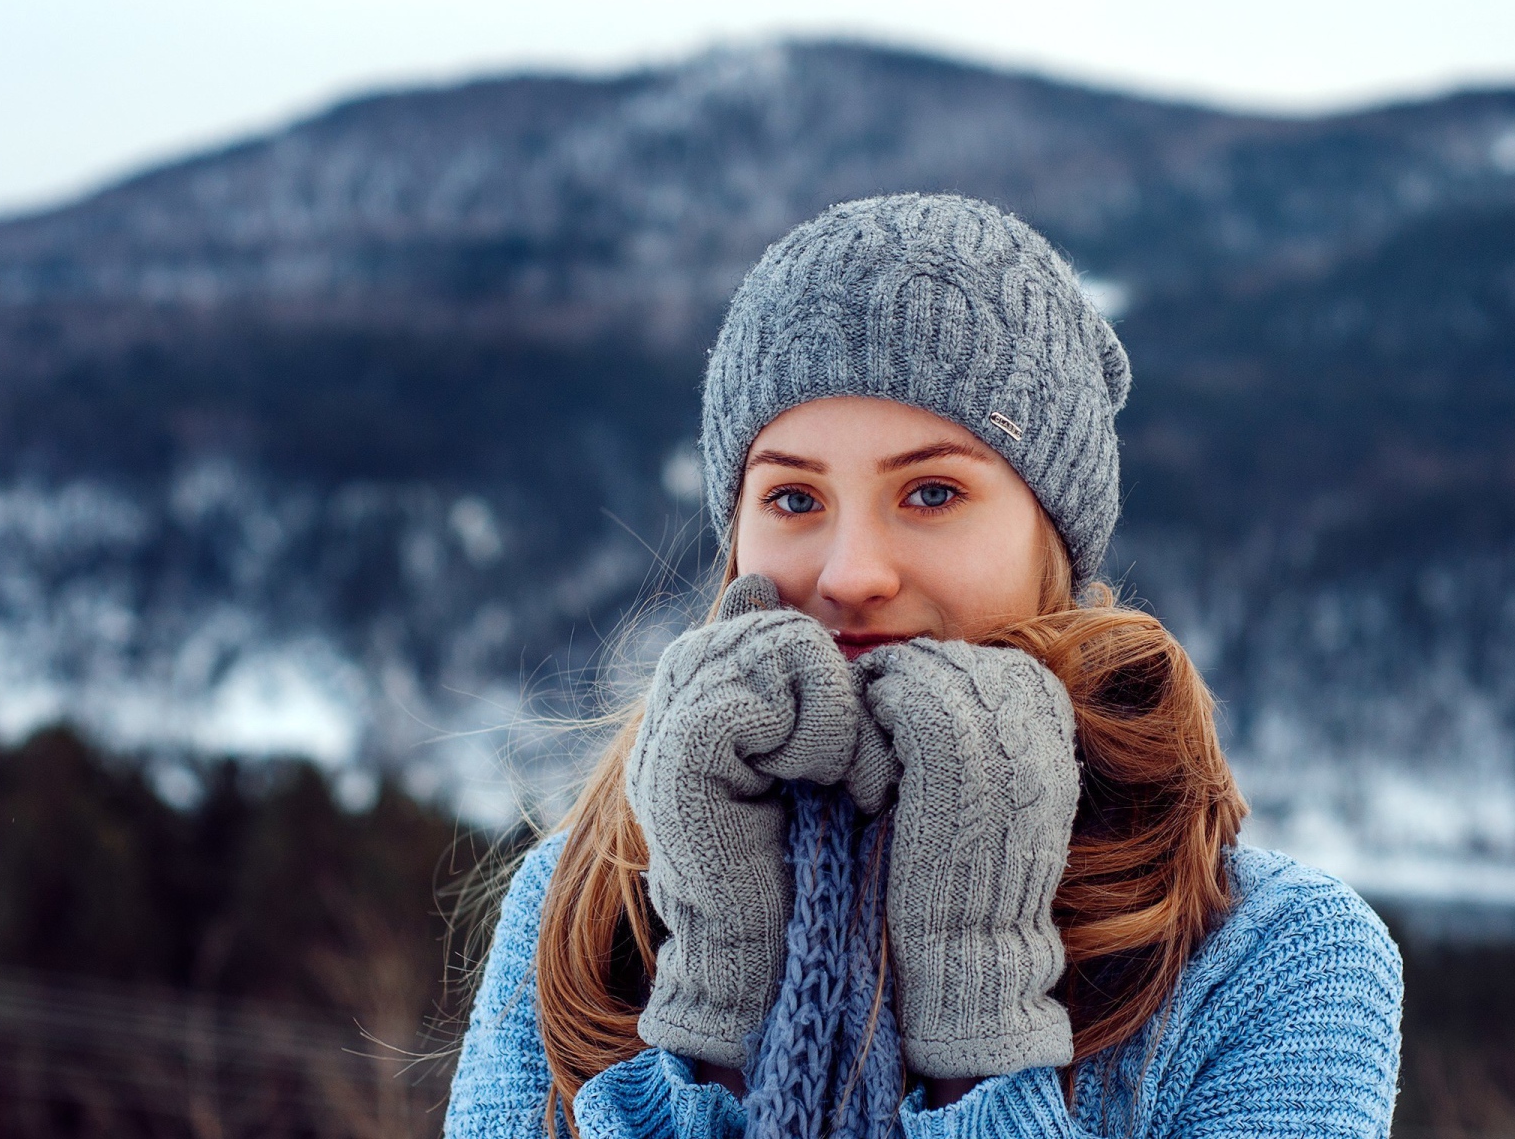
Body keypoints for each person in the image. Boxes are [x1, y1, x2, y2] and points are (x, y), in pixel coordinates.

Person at [443, 194, 1403, 1139]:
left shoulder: (1275, 961)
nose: (853, 573)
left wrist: (979, 1016)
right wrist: (717, 1014)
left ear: (1054, 542)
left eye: (932, 491)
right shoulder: (582, 906)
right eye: (792, 498)